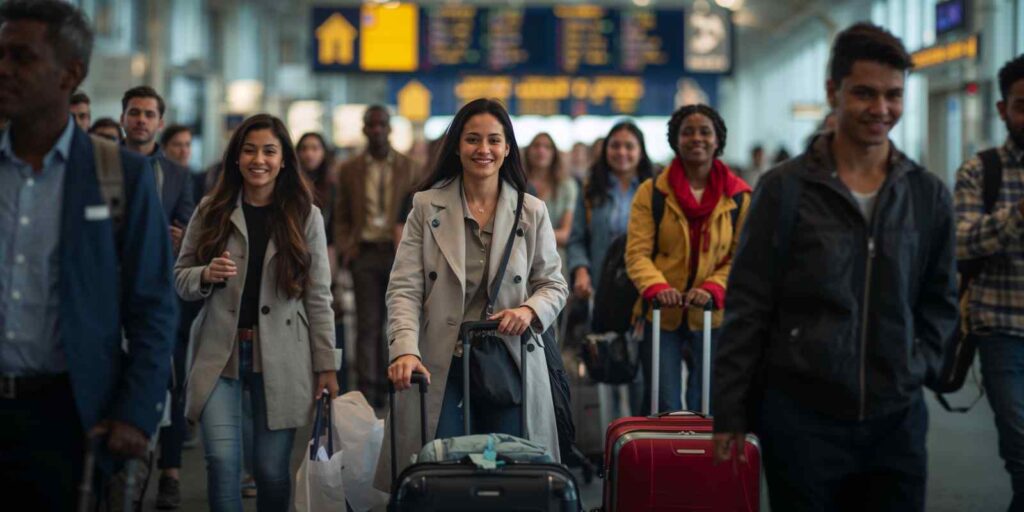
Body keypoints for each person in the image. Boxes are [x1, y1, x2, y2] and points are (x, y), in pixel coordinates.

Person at [712, 23, 958, 511]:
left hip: (896, 418)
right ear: (833, 91)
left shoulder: (926, 194)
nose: (881, 109)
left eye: (893, 95)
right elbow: (749, 302)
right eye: (865, 94)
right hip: (802, 416)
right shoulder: (784, 191)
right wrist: (731, 409)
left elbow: (941, 297)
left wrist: (918, 365)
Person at [0, 1, 177, 509]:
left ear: (70, 73)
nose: (4, 68)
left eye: (21, 57)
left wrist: (137, 411)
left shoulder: (119, 175)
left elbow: (152, 303)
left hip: (68, 416)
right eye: (0, 54)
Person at [376, 98, 568, 490]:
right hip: (440, 357)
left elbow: (553, 284)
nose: (484, 150)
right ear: (457, 146)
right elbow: (404, 288)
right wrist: (404, 350)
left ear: (508, 148)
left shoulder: (531, 211)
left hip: (509, 360)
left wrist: (529, 310)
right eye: (473, 139)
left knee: (510, 471)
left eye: (494, 140)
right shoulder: (425, 206)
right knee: (442, 470)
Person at [175, 113, 339, 511]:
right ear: (236, 158)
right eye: (249, 150)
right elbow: (180, 277)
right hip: (220, 352)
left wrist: (328, 366)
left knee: (270, 471)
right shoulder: (211, 208)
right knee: (221, 461)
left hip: (283, 354)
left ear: (284, 160)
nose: (258, 160)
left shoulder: (305, 215)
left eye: (269, 151)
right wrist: (205, 274)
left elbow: (319, 296)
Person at [626, 105, 751, 415]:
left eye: (705, 132)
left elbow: (742, 256)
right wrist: (656, 286)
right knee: (665, 404)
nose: (697, 138)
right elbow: (637, 252)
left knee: (706, 405)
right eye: (688, 132)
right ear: (675, 139)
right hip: (662, 313)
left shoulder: (739, 197)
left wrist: (712, 287)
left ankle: (703, 464)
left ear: (718, 139)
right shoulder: (652, 192)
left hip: (714, 315)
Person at [955, 54, 1024, 512]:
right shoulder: (981, 171)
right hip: (1002, 330)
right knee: (1021, 445)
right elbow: (961, 243)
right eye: (1022, 104)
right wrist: (1017, 216)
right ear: (1003, 110)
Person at [567, 122, 655, 418]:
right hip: (603, 290)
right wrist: (581, 270)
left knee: (640, 368)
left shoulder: (656, 189)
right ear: (606, 150)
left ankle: (642, 445)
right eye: (615, 145)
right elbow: (578, 237)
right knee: (606, 363)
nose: (622, 152)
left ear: (640, 152)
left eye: (629, 146)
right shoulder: (592, 189)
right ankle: (612, 446)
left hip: (643, 288)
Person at [333, 105, 418, 407]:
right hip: (365, 252)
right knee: (368, 323)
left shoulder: (410, 167)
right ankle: (368, 389)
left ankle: (391, 382)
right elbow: (340, 214)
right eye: (372, 125)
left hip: (399, 254)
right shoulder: (350, 169)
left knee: (396, 319)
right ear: (364, 129)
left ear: (390, 129)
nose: (378, 130)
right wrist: (347, 246)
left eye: (382, 125)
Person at [121, 86, 194, 253]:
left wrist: (183, 236)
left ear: (160, 124)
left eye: (149, 114)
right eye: (134, 113)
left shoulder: (178, 174)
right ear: (121, 119)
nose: (141, 120)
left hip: (158, 262)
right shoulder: (102, 165)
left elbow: (186, 225)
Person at [525, 132, 578, 279]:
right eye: (536, 146)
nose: (541, 150)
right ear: (528, 151)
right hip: (521, 260)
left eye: (547, 147)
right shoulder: (517, 184)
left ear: (554, 154)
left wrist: (525, 234)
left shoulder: (567, 186)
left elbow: (565, 234)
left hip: (554, 260)